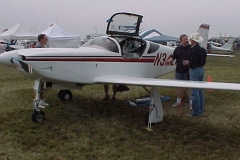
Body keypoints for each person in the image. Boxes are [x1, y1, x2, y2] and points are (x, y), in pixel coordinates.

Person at [183, 32, 207, 117]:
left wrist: (187, 63)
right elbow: (203, 61)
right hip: (201, 69)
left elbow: (192, 63)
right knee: (200, 90)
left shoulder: (193, 50)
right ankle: (200, 109)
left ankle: (196, 111)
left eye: (191, 40)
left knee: (194, 91)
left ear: (193, 41)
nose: (189, 41)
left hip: (195, 70)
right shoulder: (202, 50)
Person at [166, 34, 192, 109]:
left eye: (187, 39)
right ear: (181, 41)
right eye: (184, 40)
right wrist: (168, 61)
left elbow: (194, 60)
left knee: (189, 87)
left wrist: (188, 62)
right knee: (179, 87)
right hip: (179, 70)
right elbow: (173, 58)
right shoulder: (178, 49)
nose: (186, 41)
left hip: (188, 71)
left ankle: (191, 102)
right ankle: (178, 101)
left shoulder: (191, 48)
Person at [35, 34, 48, 107]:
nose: (47, 40)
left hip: (40, 70)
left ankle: (40, 100)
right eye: (45, 39)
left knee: (41, 85)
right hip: (39, 70)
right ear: (41, 39)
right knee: (38, 86)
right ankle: (37, 101)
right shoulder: (38, 48)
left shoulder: (42, 47)